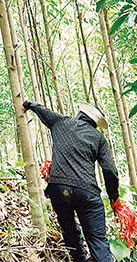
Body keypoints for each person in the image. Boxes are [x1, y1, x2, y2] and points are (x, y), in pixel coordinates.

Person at [23, 99, 119, 262]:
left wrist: (29, 105)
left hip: (58, 189)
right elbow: (110, 170)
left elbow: (43, 111)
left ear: (80, 114)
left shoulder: (61, 122)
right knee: (98, 242)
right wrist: (113, 197)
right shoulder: (99, 139)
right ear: (95, 124)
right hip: (87, 192)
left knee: (70, 233)